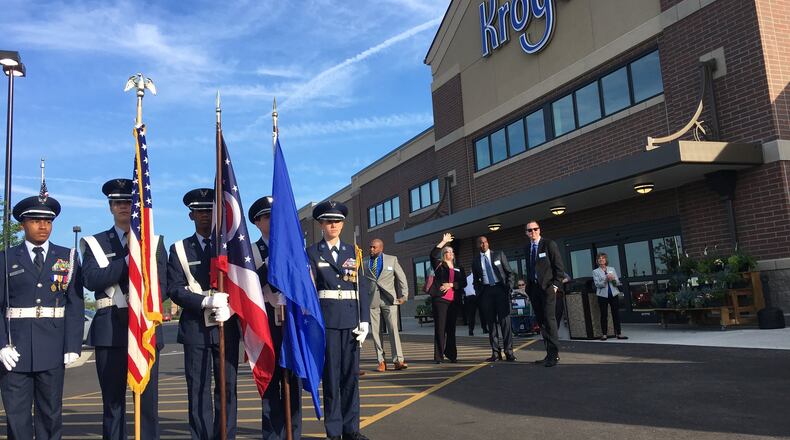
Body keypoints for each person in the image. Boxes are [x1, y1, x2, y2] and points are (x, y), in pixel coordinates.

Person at [81, 178, 167, 439]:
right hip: (110, 329)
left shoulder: (154, 242)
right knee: (113, 404)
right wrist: (128, 260)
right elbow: (91, 279)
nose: (123, 207)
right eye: (117, 202)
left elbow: (160, 285)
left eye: (128, 202)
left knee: (148, 405)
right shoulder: (95, 243)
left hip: (144, 329)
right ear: (110, 207)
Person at [0, 193, 83, 438]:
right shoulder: (5, 258)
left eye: (48, 220)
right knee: (17, 418)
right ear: (23, 224)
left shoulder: (66, 257)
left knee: (50, 415)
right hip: (15, 351)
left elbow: (75, 304)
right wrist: (2, 343)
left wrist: (72, 344)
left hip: (53, 348)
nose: (43, 225)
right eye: (36, 220)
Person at [167, 188, 239, 439]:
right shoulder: (179, 249)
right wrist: (205, 300)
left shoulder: (231, 246)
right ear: (191, 216)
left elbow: (242, 283)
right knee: (197, 388)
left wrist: (231, 306)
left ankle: (226, 435)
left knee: (227, 387)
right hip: (195, 327)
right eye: (199, 211)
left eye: (210, 210)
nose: (205, 216)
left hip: (226, 324)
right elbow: (174, 289)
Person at [305, 200, 370, 440]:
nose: (333, 225)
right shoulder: (312, 252)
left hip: (351, 320)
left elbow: (362, 286)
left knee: (350, 378)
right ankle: (334, 432)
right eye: (328, 221)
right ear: (321, 224)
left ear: (342, 225)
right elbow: (310, 290)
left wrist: (364, 321)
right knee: (331, 379)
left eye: (337, 221)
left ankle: (351, 429)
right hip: (328, 321)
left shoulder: (354, 252)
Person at [248, 196, 302, 439]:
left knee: (292, 379)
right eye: (267, 217)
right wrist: (270, 265)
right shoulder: (250, 251)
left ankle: (294, 432)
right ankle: (272, 434)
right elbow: (247, 287)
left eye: (276, 215)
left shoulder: (294, 247)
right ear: (257, 222)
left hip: (291, 319)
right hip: (266, 319)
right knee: (270, 381)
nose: (273, 220)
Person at [362, 238, 409, 372]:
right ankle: (381, 361)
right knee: (376, 332)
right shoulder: (364, 262)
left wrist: (404, 295)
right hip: (372, 301)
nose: (371, 249)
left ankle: (398, 360)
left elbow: (402, 278)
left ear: (381, 248)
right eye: (370, 247)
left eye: (374, 247)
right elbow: (362, 282)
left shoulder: (392, 260)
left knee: (393, 330)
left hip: (389, 300)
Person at [524, 220, 565, 367]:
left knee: (549, 321)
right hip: (534, 290)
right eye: (530, 230)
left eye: (535, 229)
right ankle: (549, 353)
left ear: (539, 230)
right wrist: (528, 288)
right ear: (526, 233)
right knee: (541, 322)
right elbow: (530, 270)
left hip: (548, 289)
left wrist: (555, 285)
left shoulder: (549, 244)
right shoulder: (527, 248)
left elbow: (559, 268)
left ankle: (554, 355)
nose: (533, 232)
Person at [471, 236, 515, 362]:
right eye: (480, 243)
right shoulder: (475, 261)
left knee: (505, 323)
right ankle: (496, 353)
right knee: (491, 324)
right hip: (486, 292)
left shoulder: (498, 255)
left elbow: (510, 273)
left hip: (501, 290)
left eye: (485, 242)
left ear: (488, 243)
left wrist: (509, 288)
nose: (483, 244)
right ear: (477, 245)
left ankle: (509, 352)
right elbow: (475, 280)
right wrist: (478, 292)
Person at [429, 233, 467, 364]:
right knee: (440, 328)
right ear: (443, 254)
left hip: (454, 301)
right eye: (447, 251)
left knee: (451, 328)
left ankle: (451, 354)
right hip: (440, 300)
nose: (449, 253)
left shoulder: (459, 267)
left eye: (451, 251)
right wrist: (443, 242)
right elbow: (432, 254)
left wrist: (452, 285)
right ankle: (438, 356)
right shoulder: (439, 265)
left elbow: (464, 283)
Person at [592, 253, 627, 340]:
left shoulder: (612, 269)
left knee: (616, 314)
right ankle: (604, 334)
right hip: (602, 295)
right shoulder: (595, 271)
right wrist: (605, 279)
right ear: (597, 261)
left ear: (606, 260)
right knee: (604, 315)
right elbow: (597, 285)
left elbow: (617, 283)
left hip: (613, 294)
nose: (601, 260)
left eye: (603, 258)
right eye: (599, 259)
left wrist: (613, 279)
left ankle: (619, 333)